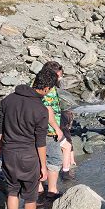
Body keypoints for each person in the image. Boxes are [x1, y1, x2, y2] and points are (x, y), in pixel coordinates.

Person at [0, 68, 58, 209]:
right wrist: (43, 167)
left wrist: (1, 145)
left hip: (8, 153)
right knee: (30, 196)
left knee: (12, 191)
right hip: (29, 157)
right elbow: (40, 142)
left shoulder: (7, 100)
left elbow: (0, 128)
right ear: (47, 88)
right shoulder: (41, 110)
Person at [39, 61, 75, 196]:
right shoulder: (45, 87)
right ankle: (51, 191)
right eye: (58, 76)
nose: (59, 79)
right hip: (47, 130)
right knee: (53, 159)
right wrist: (56, 129)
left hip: (47, 128)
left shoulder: (46, 85)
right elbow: (47, 109)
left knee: (44, 160)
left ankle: (42, 191)